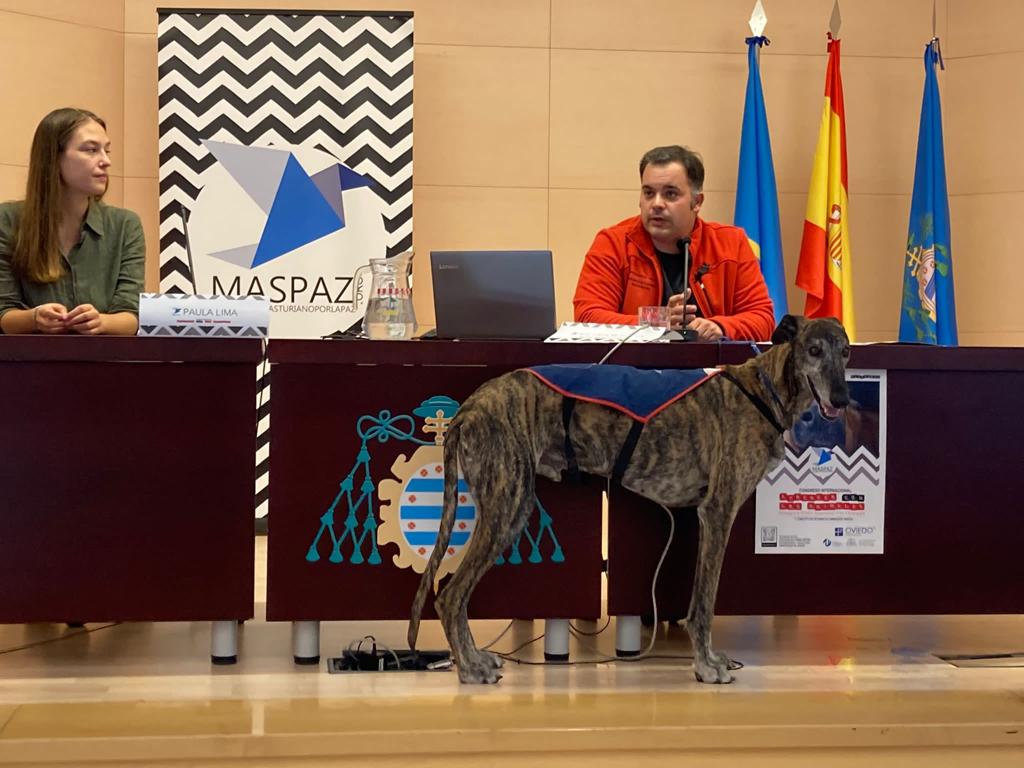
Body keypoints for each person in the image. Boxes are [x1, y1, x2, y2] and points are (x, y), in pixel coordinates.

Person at [573, 145, 775, 342]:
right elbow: (587, 316)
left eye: (670, 194)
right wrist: (657, 321)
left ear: (697, 202)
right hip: (634, 371)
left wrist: (719, 327)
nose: (657, 204)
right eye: (649, 193)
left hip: (712, 371)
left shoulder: (731, 243)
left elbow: (763, 320)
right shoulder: (613, 243)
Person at [0, 108, 144, 335]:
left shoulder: (125, 225)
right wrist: (34, 318)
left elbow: (131, 316)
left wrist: (101, 322)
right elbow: (4, 313)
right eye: (91, 150)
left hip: (104, 364)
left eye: (107, 151)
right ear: (53, 158)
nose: (106, 161)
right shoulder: (6, 220)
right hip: (29, 365)